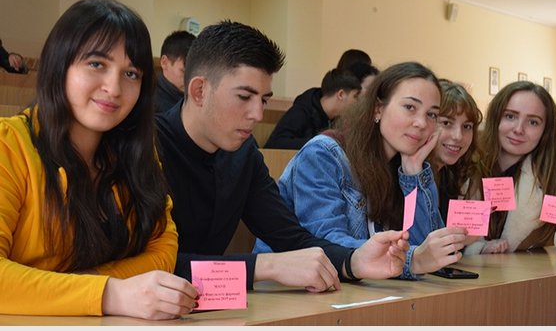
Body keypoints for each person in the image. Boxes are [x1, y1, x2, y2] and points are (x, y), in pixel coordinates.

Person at [154, 20, 410, 293]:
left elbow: (290, 238)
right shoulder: (147, 147)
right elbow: (148, 268)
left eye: (264, 100)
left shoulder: (243, 154)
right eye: (244, 97)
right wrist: (264, 266)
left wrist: (354, 260)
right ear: (199, 91)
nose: (258, 114)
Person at [0, 0, 197, 319]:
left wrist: (88, 283)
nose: (114, 88)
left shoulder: (139, 153)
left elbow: (163, 246)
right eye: (97, 64)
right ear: (59, 64)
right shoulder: (8, 146)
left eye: (131, 73)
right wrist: (109, 293)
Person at [253, 62, 471, 279]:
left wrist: (414, 172)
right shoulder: (323, 155)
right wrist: (413, 259)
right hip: (289, 290)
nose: (421, 123)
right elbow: (328, 244)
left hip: (360, 291)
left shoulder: (407, 167)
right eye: (410, 107)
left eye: (432, 114)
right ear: (378, 108)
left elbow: (431, 255)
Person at [465, 80, 556, 257]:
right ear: (495, 118)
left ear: (546, 130)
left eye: (533, 122)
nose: (519, 129)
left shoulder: (551, 172)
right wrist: (478, 249)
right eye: (510, 116)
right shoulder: (466, 162)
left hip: (527, 271)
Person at [263, 68, 361, 150]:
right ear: (341, 95)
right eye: (355, 96)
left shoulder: (337, 120)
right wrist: (321, 142)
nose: (358, 103)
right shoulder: (302, 110)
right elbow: (274, 143)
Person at [428, 79, 483, 223]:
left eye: (467, 126)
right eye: (446, 123)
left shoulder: (451, 174)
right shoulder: (407, 176)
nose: (458, 136)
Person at [154, 30, 196, 113]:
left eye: (195, 73)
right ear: (164, 62)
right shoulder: (150, 101)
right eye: (183, 72)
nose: (190, 79)